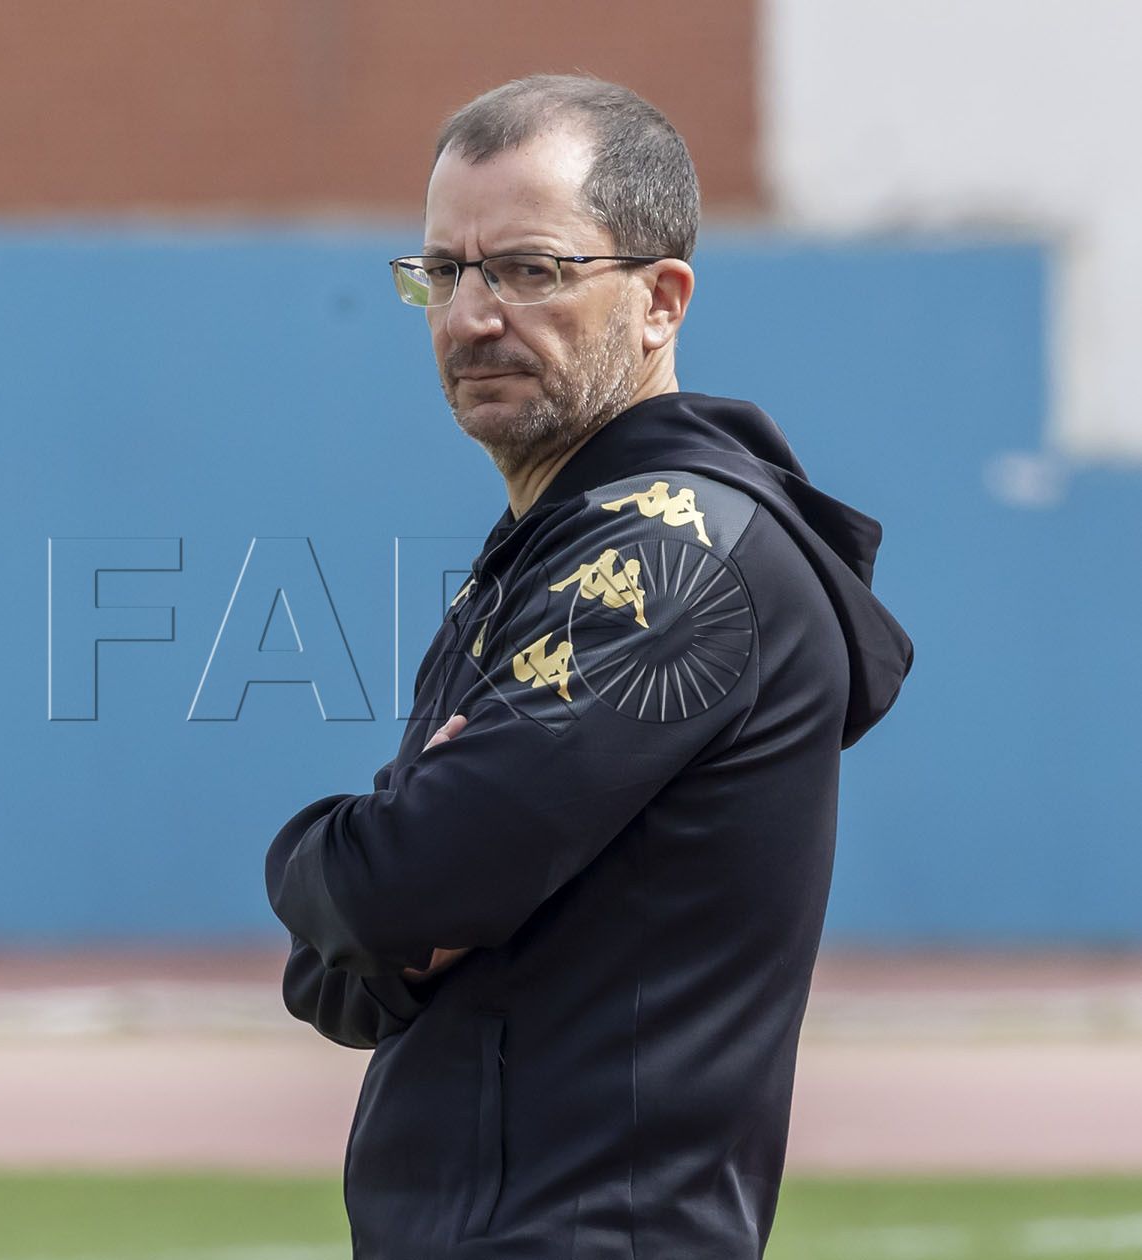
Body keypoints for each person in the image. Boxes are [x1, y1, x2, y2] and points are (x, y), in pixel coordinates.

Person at [263, 74, 913, 1258]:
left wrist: (323, 863)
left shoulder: (672, 565)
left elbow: (398, 890)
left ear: (661, 299)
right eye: (443, 272)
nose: (470, 317)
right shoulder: (559, 550)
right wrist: (385, 897)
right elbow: (350, 979)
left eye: (530, 269)